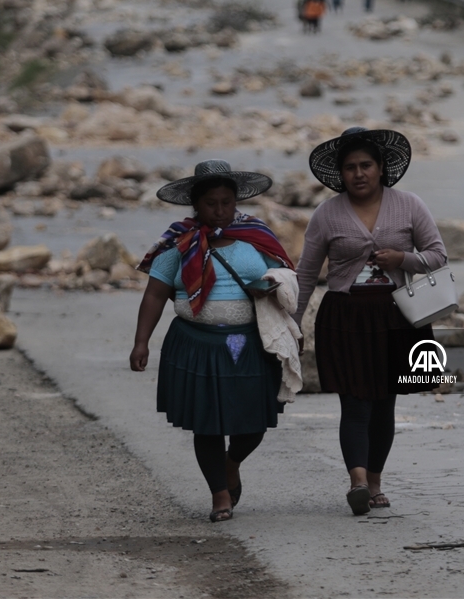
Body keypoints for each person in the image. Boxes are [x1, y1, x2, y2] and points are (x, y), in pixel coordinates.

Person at [131, 160, 299, 523]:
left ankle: (231, 463)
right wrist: (141, 342)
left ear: (236, 201)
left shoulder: (256, 237)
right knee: (206, 422)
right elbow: (155, 294)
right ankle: (219, 493)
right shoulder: (178, 244)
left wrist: (275, 286)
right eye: (211, 203)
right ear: (196, 205)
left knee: (254, 421)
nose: (220, 210)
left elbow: (287, 274)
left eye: (226, 202)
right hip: (196, 343)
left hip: (249, 344)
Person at [294, 128, 447, 515]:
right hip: (345, 318)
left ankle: (375, 481)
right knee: (355, 403)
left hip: (397, 316)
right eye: (350, 167)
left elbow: (438, 256)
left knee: (384, 404)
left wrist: (403, 260)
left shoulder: (410, 205)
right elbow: (307, 275)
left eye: (366, 165)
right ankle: (358, 482)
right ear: (340, 174)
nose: (358, 173)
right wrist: (292, 324)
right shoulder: (326, 214)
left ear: (381, 168)